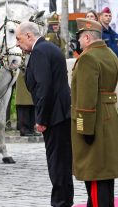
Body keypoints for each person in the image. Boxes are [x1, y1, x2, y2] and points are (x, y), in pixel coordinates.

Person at [16, 21, 74, 207]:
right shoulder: (50, 47)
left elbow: (44, 88)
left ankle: (60, 202)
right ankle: (65, 200)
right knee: (63, 162)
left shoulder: (39, 52)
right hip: (62, 113)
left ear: (29, 36)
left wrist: (41, 119)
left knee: (57, 163)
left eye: (18, 39)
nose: (17, 43)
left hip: (54, 116)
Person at [71, 18, 118, 207]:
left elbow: (86, 100)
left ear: (88, 37)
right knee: (106, 175)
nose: (79, 43)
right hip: (109, 119)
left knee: (95, 175)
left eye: (81, 39)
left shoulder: (88, 58)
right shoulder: (110, 55)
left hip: (94, 123)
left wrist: (84, 129)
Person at [15, 59, 36, 137]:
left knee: (32, 106)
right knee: (23, 106)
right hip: (22, 76)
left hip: (32, 78)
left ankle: (31, 128)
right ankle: (24, 129)